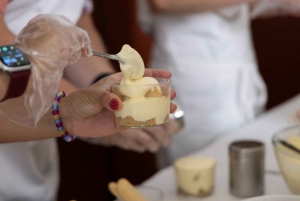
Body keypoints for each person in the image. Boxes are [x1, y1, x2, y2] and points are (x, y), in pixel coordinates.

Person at [0, 1, 175, 200]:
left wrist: (67, 113)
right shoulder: (12, 62)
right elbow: (6, 62)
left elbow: (77, 21)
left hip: (24, 126)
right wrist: (30, 61)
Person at [137, 0, 300, 167]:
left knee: (249, 171)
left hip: (238, 75)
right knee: (195, 175)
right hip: (194, 85)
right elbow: (163, 3)